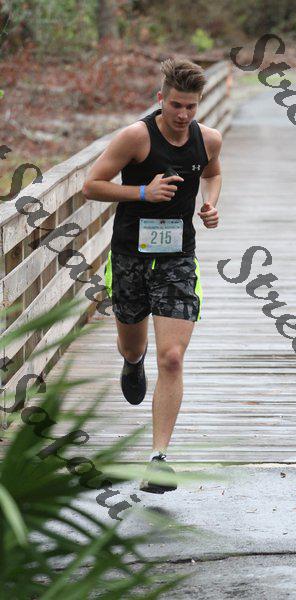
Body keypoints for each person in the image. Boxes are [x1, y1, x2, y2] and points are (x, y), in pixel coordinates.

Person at [82, 57, 222, 493]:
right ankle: (131, 362)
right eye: (176, 105)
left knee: (173, 357)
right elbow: (91, 185)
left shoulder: (208, 139)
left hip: (178, 258)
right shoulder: (136, 137)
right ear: (161, 99)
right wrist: (143, 191)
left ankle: (158, 460)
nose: (183, 115)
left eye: (191, 107)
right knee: (132, 343)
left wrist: (210, 204)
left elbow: (213, 173)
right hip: (130, 255)